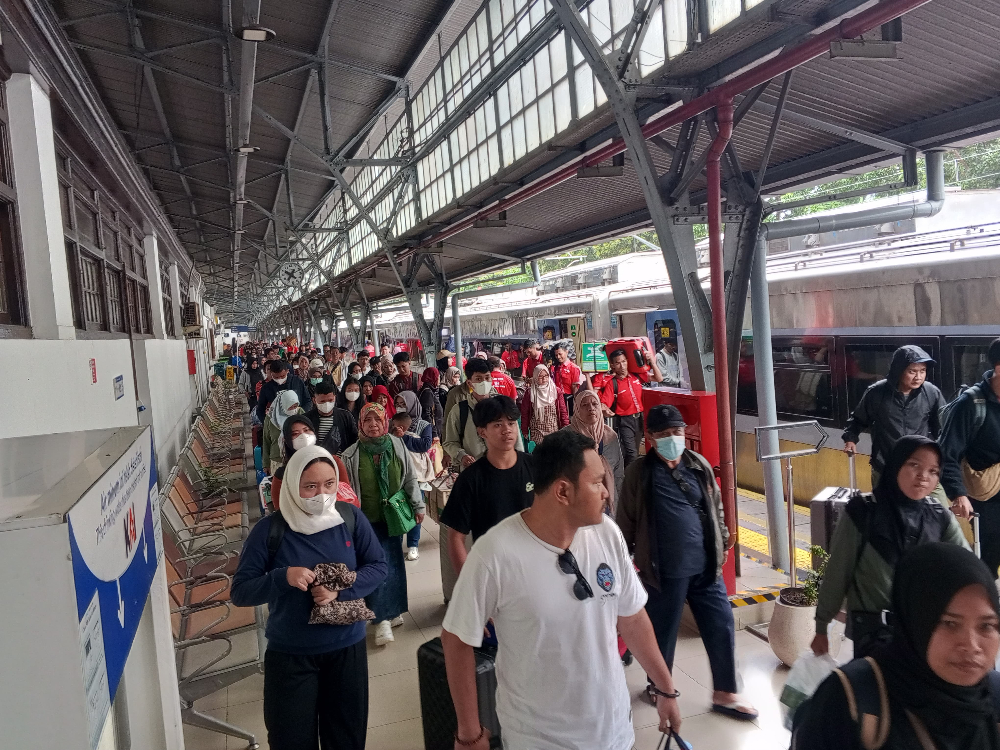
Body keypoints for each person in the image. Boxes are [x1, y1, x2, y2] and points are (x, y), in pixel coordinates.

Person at [441, 430, 682, 750]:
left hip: (612, 731)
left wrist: (665, 689)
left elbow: (632, 617)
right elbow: (456, 639)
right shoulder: (495, 554)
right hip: (540, 739)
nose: (607, 493)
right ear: (563, 491)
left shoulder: (606, 533)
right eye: (597, 483)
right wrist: (469, 735)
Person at [231, 446, 388, 750]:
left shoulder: (349, 518)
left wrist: (342, 588)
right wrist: (282, 577)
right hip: (291, 656)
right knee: (291, 739)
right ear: (292, 486)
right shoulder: (270, 530)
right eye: (310, 486)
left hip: (347, 650)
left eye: (329, 484)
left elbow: (379, 566)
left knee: (346, 738)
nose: (322, 494)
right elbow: (241, 591)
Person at [617, 404, 758, 720]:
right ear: (651, 437)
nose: (672, 439)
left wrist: (721, 541)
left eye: (677, 432)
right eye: (664, 434)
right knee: (662, 632)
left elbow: (715, 505)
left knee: (721, 624)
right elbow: (625, 521)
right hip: (663, 570)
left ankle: (725, 692)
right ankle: (658, 685)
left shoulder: (699, 465)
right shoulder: (639, 473)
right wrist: (623, 565)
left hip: (705, 567)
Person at [793, 543, 1000, 750]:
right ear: (914, 623)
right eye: (949, 623)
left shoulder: (995, 698)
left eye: (987, 626)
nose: (972, 646)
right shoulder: (848, 700)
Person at [811, 435, 970, 659]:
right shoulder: (862, 512)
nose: (924, 476)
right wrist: (821, 626)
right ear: (896, 465)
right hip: (874, 634)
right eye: (914, 465)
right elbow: (838, 571)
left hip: (923, 633)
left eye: (933, 471)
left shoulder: (939, 517)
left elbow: (968, 568)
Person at [341, 403, 425, 646]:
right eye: (368, 420)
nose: (373, 425)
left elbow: (409, 478)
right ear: (360, 425)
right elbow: (347, 492)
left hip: (394, 515)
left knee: (394, 562)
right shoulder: (351, 454)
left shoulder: (397, 445)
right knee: (373, 565)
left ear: (385, 422)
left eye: (377, 419)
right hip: (365, 520)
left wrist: (418, 505)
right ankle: (380, 619)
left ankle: (393, 610)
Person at [441, 396, 533, 577]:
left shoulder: (536, 467)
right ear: (482, 432)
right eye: (498, 424)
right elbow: (456, 537)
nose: (507, 430)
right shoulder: (470, 479)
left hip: (535, 565)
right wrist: (469, 581)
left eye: (511, 423)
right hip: (494, 570)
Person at [843, 345, 946, 489]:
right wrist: (850, 439)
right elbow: (858, 419)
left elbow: (942, 427)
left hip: (921, 469)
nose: (918, 377)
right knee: (886, 510)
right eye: (912, 371)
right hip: (885, 467)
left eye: (922, 371)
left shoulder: (931, 393)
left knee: (938, 508)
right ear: (899, 371)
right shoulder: (876, 393)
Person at [940, 338, 1000, 575]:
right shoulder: (972, 404)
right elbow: (946, 453)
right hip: (987, 499)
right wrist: (958, 494)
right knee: (989, 557)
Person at [444, 358, 524, 469]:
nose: (484, 382)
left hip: (503, 468)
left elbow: (516, 438)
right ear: (469, 383)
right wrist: (461, 456)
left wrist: (520, 463)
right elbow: (450, 442)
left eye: (487, 378)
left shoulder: (504, 406)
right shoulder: (459, 410)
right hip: (473, 471)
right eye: (478, 379)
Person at [597, 347, 662, 467]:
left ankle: (626, 474)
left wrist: (652, 361)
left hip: (640, 419)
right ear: (613, 366)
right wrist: (604, 410)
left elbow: (659, 378)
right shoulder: (613, 384)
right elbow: (604, 404)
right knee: (632, 453)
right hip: (625, 421)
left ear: (627, 361)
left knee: (635, 450)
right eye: (617, 363)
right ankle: (629, 480)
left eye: (624, 361)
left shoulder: (636, 377)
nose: (622, 365)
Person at [563, 389, 624, 514]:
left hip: (607, 501)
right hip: (577, 506)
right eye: (584, 405)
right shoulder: (566, 437)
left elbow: (618, 471)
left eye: (595, 404)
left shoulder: (610, 436)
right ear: (577, 410)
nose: (591, 408)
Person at [391, 393, 434, 562]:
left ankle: (413, 545)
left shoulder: (424, 425)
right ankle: (397, 545)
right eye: (398, 403)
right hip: (397, 472)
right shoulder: (392, 423)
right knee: (398, 509)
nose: (401, 406)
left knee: (417, 508)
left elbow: (424, 445)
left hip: (417, 474)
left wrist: (404, 437)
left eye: (404, 403)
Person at [305, 382, 358, 456]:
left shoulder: (346, 416)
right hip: (316, 461)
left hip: (341, 461)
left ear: (335, 398)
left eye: (330, 400)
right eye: (322, 401)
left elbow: (354, 440)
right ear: (314, 400)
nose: (326, 404)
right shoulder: (307, 419)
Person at [520, 365, 568, 444]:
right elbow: (525, 412)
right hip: (537, 431)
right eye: (540, 376)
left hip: (553, 430)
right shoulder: (530, 392)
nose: (544, 379)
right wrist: (524, 430)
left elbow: (563, 411)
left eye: (546, 376)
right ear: (535, 377)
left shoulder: (556, 391)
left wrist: (565, 428)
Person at [263, 391, 304, 474]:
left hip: (298, 458)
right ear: (282, 405)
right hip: (277, 460)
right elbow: (266, 441)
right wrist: (266, 464)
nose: (293, 409)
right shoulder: (271, 419)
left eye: (295, 406)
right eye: (290, 407)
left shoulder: (300, 413)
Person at [550, 341, 588, 417]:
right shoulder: (556, 368)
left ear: (566, 352)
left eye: (560, 354)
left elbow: (575, 387)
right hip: (557, 398)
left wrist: (576, 402)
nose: (558, 357)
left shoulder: (573, 368)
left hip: (568, 398)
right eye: (556, 355)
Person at [418, 367, 445, 441]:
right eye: (438, 376)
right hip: (432, 435)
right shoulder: (428, 392)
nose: (439, 379)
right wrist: (434, 433)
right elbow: (427, 414)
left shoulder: (430, 390)